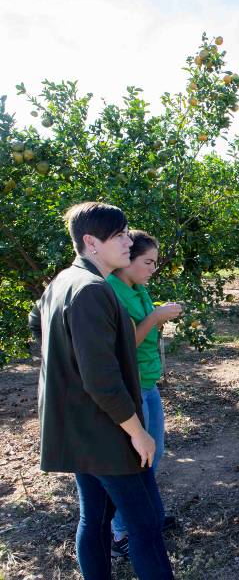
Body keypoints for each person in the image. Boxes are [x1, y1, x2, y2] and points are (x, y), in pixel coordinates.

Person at [29, 202, 174, 580]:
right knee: (146, 522)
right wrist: (138, 433)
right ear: (91, 242)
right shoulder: (92, 290)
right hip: (107, 433)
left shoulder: (62, 281)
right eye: (119, 235)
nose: (129, 241)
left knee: (94, 518)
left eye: (127, 232)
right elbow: (101, 379)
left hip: (81, 429)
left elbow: (38, 326)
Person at [106, 230, 183, 558]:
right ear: (126, 262)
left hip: (148, 383)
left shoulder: (137, 289)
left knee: (156, 452)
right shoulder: (113, 293)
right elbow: (123, 347)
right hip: (132, 388)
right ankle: (122, 531)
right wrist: (155, 317)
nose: (153, 268)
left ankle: (147, 516)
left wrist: (158, 317)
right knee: (138, 459)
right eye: (147, 262)